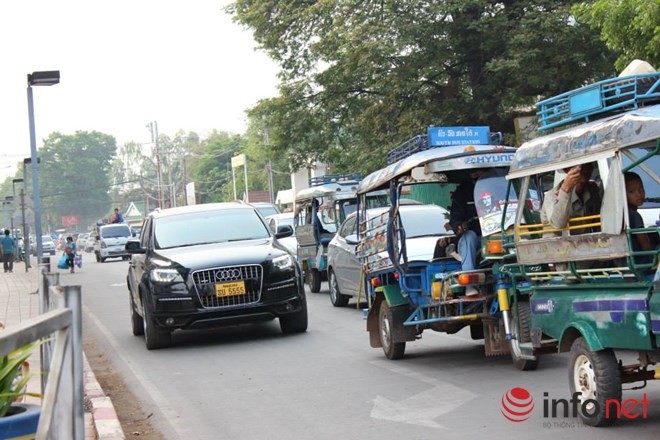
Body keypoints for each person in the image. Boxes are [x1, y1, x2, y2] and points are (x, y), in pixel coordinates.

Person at [541, 163, 602, 234]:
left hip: (585, 242)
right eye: (580, 167)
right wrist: (565, 189)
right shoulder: (551, 195)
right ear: (568, 171)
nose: (585, 170)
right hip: (559, 243)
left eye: (588, 165)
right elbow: (558, 224)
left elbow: (598, 223)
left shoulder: (592, 191)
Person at [624, 172, 657, 263]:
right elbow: (645, 246)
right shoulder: (634, 216)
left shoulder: (623, 214)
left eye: (641, 189)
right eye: (631, 191)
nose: (639, 194)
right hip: (640, 261)